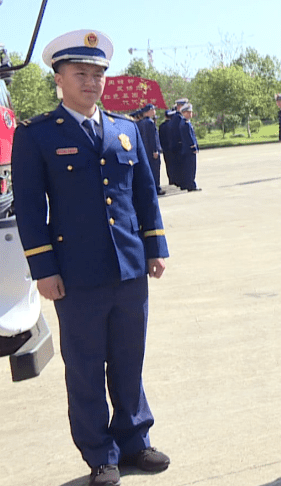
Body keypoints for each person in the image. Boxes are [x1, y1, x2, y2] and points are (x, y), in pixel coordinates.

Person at [11, 30, 170, 486]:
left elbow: (145, 196)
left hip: (128, 268)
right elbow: (30, 207)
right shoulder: (38, 135)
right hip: (75, 275)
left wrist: (155, 247)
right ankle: (100, 454)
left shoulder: (126, 129)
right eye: (81, 73)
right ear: (59, 78)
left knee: (129, 358)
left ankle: (135, 441)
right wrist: (43, 270)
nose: (92, 82)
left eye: (98, 74)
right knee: (84, 365)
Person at [135, 104, 164, 195]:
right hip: (151, 151)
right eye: (153, 110)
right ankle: (156, 188)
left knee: (149, 170)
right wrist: (155, 150)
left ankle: (151, 188)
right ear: (149, 111)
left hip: (145, 150)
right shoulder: (150, 122)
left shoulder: (141, 122)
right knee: (155, 170)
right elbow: (152, 138)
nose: (154, 111)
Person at [158, 98, 187, 188]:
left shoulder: (163, 125)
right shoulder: (177, 120)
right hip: (175, 147)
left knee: (170, 166)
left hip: (167, 148)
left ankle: (173, 180)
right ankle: (179, 181)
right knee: (178, 165)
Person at [176, 103, 200, 191]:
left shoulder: (185, 122)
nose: (190, 114)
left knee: (189, 168)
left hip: (187, 149)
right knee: (191, 168)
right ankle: (191, 185)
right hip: (189, 150)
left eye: (191, 112)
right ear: (183, 113)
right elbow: (189, 137)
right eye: (188, 112)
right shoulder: (185, 123)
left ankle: (189, 184)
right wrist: (193, 147)